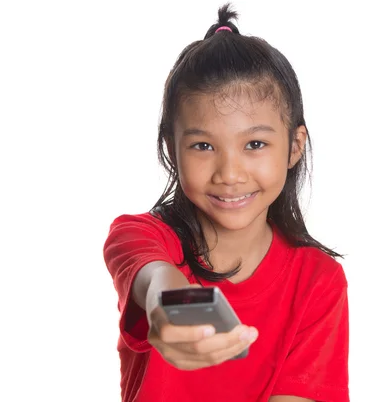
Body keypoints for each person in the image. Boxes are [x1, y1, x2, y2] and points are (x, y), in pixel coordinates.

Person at [102, 3, 349, 402]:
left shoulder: (318, 281)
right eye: (203, 145)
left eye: (255, 144)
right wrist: (171, 305)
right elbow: (156, 278)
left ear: (294, 146)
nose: (229, 173)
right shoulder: (138, 235)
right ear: (171, 148)